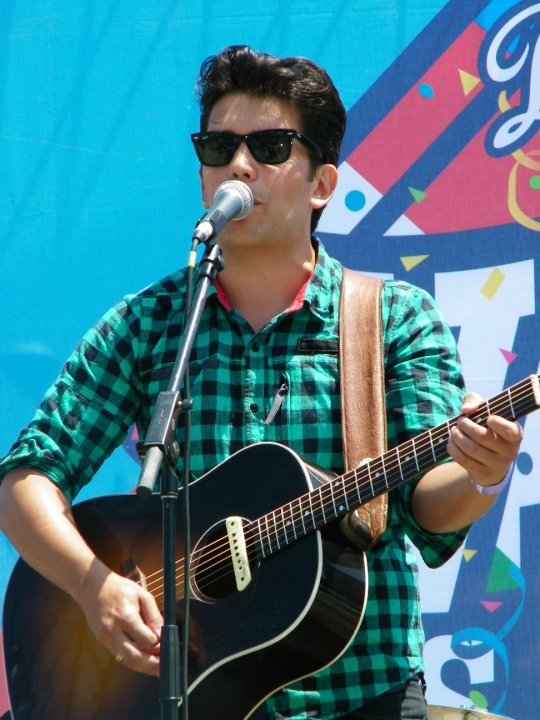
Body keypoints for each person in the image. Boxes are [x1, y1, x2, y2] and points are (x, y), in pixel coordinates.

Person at [0, 45, 523, 720]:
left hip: (361, 695)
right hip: (193, 701)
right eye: (219, 147)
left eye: (270, 147)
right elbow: (26, 479)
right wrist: (94, 585)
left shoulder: (391, 319)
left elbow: (428, 506)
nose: (239, 166)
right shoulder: (150, 321)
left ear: (322, 183)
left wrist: (483, 473)